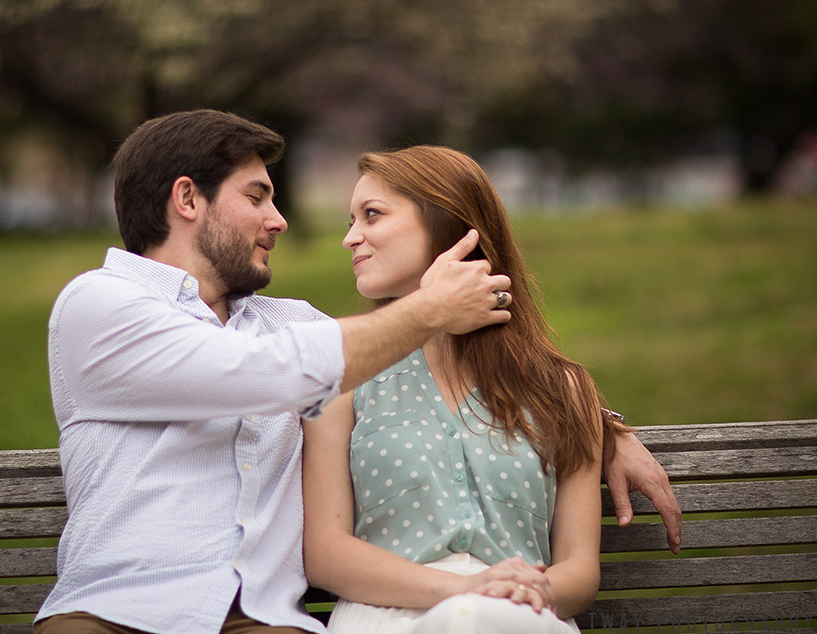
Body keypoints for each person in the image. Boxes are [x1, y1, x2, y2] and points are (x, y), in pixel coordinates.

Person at [35, 110, 679, 634]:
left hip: (259, 623)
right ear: (186, 199)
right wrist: (430, 309)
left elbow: (474, 371)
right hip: (114, 616)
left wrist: (598, 425)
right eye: (257, 197)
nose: (280, 220)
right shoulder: (101, 305)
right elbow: (266, 374)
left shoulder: (290, 325)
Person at [301, 145, 670, 634]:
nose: (350, 238)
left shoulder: (564, 390)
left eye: (372, 215)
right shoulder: (343, 379)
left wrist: (524, 592)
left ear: (447, 222)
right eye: (351, 219)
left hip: (522, 614)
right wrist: (461, 593)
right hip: (385, 616)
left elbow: (579, 571)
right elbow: (325, 553)